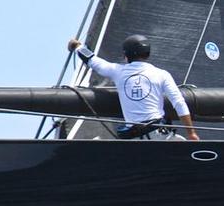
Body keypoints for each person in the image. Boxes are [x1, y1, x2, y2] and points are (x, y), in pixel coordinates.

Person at [68, 35, 199, 140]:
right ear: (148, 53)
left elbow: (92, 60)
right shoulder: (162, 74)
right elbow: (179, 102)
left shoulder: (117, 71)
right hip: (160, 136)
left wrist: (77, 46)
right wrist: (191, 133)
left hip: (134, 139)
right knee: (181, 142)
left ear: (126, 55)